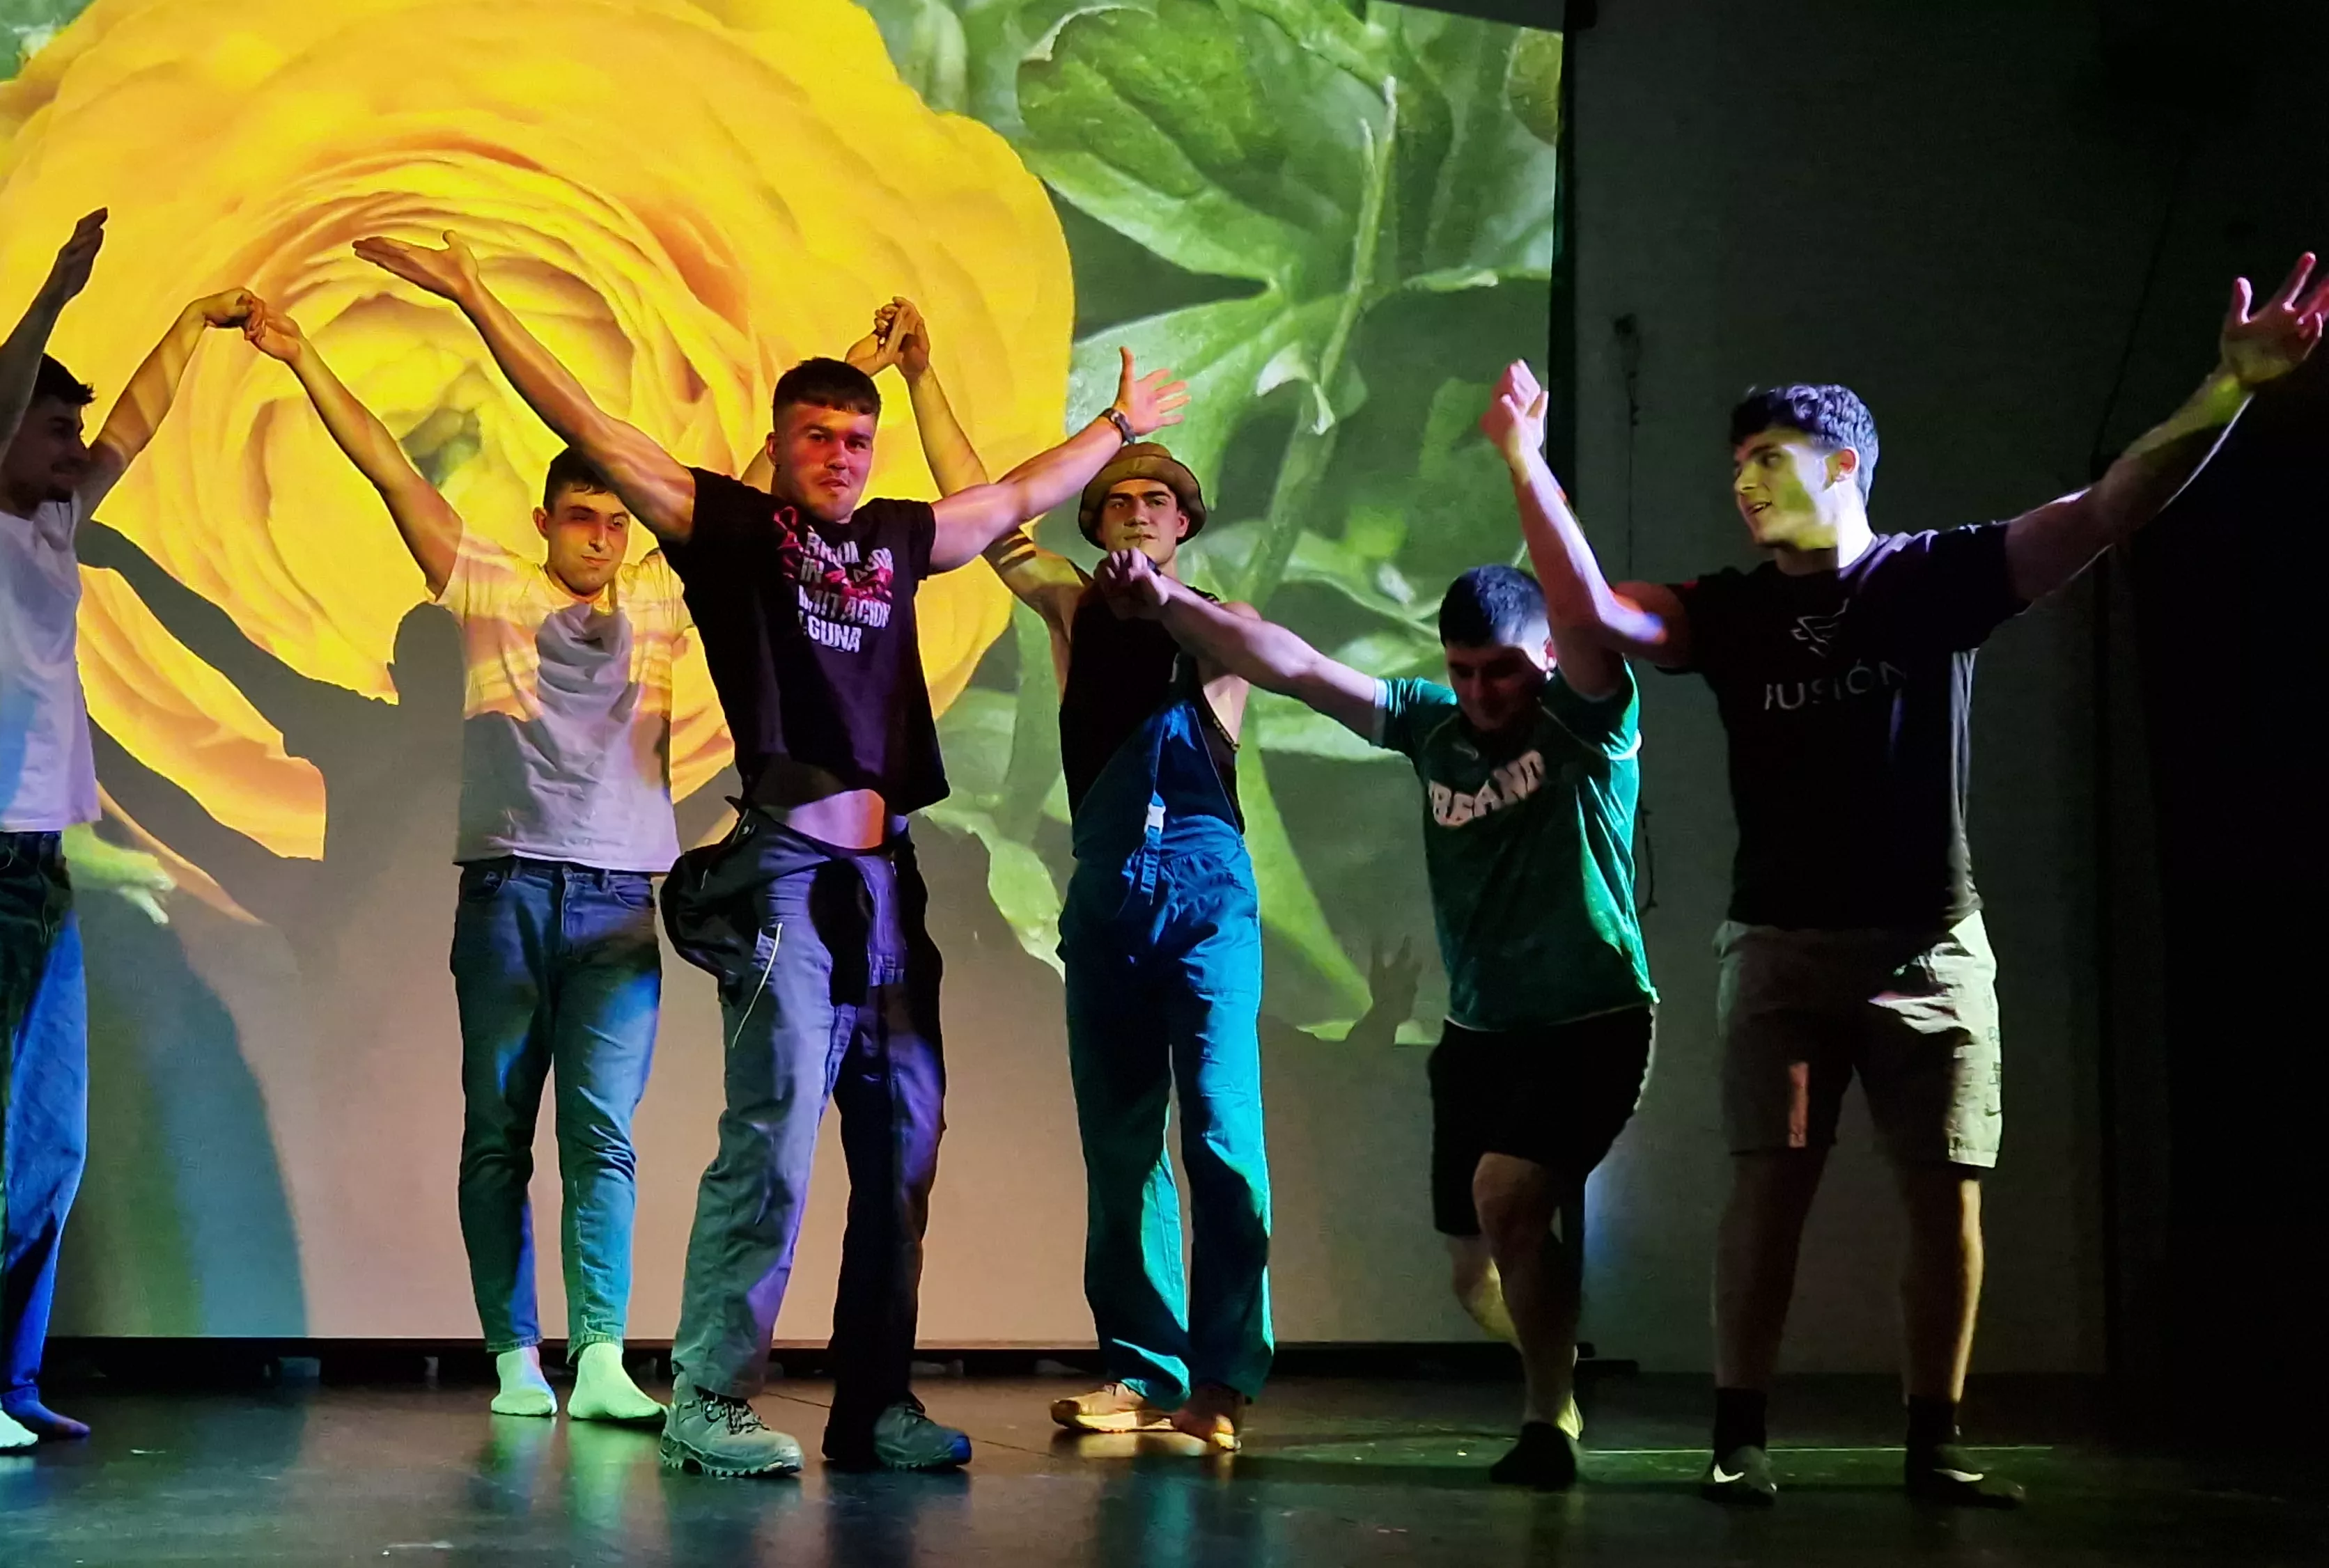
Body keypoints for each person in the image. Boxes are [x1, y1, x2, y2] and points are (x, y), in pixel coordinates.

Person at [1468, 251, 2329, 1507]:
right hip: (1778, 946)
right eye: (1736, 466)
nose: (1745, 481)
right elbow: (1593, 613)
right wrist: (1525, 461)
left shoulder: (1937, 577)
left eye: (1769, 457)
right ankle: (1740, 1437)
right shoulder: (1732, 611)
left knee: (1946, 1197)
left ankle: (1937, 1443)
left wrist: (2229, 389)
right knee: (1770, 1187)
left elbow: (2105, 509)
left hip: (1931, 943)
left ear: (1844, 464)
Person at [356, 228, 1185, 1476]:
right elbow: (589, 418)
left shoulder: (898, 540)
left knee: (903, 1143)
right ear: (785, 444)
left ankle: (876, 1406)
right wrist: (475, 293)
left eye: (857, 442)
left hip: (887, 883)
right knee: (777, 1126)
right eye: (819, 439)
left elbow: (1012, 502)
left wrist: (1115, 431)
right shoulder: (734, 533)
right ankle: (707, 1394)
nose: (841, 459)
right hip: (787, 878)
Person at [1101, 535, 1653, 1484]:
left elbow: (1589, 612)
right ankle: (1555, 1378)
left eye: (1504, 673)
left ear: (1547, 661)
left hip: (1592, 1018)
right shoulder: (1431, 728)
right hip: (1481, 1031)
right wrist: (1162, 604)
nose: (1482, 693)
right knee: (1473, 1272)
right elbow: (1296, 664)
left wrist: (1526, 458)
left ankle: (1546, 1420)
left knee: (1509, 1197)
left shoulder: (1584, 726)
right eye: (1465, 672)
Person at [240, 302, 686, 1423]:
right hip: (507, 893)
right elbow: (393, 474)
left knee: (604, 1137)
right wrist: (303, 356)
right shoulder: (492, 587)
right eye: (580, 518)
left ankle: (598, 1358)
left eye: (614, 521)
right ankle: (511, 1357)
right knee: (499, 1131)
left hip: (621, 903)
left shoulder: (661, 601)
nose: (599, 537)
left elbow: (751, 501)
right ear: (544, 519)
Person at [0, 207, 247, 1451]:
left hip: (38, 870)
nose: (74, 441)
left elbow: (132, 432)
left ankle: (13, 1376)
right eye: (56, 419)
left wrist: (193, 323)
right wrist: (53, 293)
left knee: (48, 1148)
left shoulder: (50, 531)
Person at [984, 446, 1270, 1452]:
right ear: (1097, 528)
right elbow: (994, 521)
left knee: (1224, 1140)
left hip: (1204, 894)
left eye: (1158, 501)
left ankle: (1225, 1384)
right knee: (1120, 1144)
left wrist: (1160, 601)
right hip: (1108, 891)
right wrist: (926, 378)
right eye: (1118, 503)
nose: (1139, 512)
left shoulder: (1219, 625)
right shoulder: (1075, 613)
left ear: (1183, 525)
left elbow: (1238, 645)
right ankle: (1146, 1372)